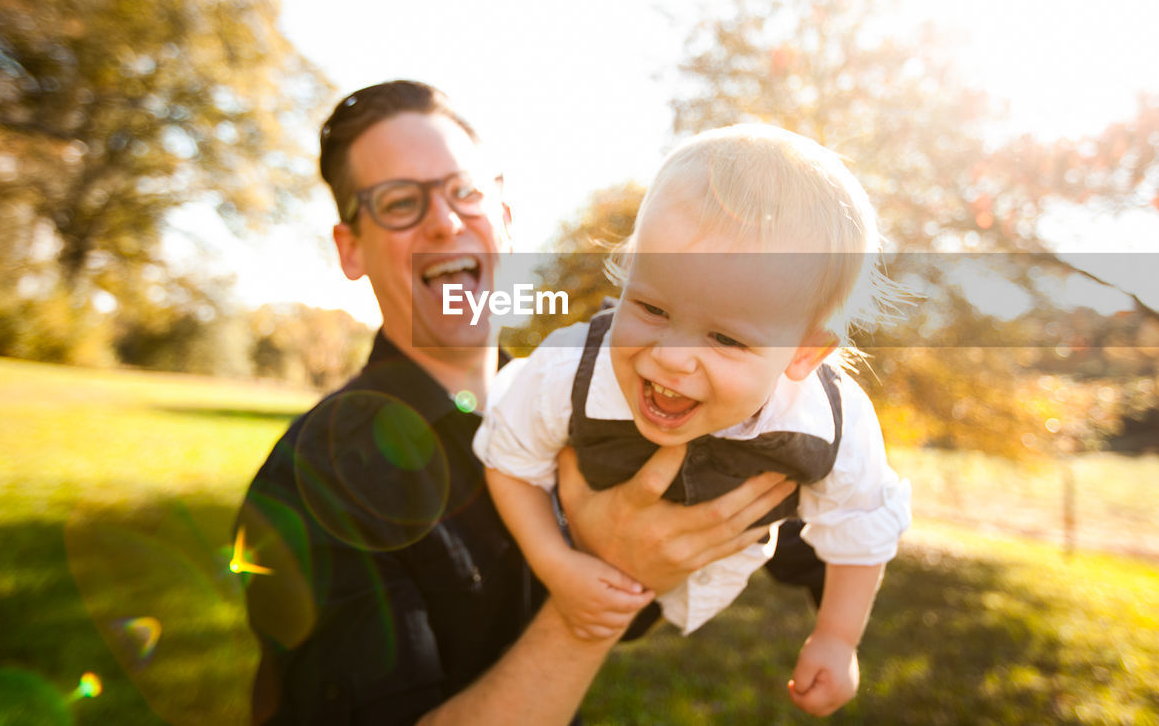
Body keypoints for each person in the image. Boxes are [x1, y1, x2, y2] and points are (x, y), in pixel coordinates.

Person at [233, 81, 807, 726]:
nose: (446, 221)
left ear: (504, 215)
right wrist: (595, 597)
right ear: (351, 249)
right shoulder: (313, 481)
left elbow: (758, 491)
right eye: (399, 202)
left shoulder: (591, 399)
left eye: (466, 191)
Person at [475, 124, 911, 717]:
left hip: (686, 582)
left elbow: (861, 525)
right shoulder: (568, 369)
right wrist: (559, 564)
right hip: (540, 564)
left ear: (804, 354)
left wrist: (836, 637)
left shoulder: (831, 421)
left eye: (725, 338)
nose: (672, 357)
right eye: (651, 307)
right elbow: (509, 460)